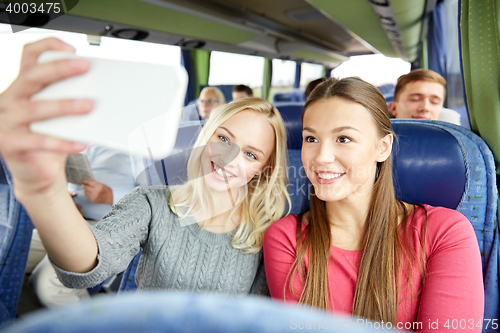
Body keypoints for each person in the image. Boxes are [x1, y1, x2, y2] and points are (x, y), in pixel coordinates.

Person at [0, 38, 290, 296]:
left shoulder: (271, 229)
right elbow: (86, 269)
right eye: (224, 138)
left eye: (251, 155)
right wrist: (46, 189)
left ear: (264, 169)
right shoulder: (152, 204)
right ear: (205, 137)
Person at [263, 77, 483, 329]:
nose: (321, 158)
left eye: (343, 138)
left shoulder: (445, 232)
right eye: (311, 139)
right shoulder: (286, 238)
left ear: (383, 147)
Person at [26, 144, 138, 307]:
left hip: (106, 226)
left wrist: (112, 196)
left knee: (51, 286)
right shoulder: (95, 139)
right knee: (10, 255)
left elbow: (160, 195)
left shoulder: (147, 143)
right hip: (71, 219)